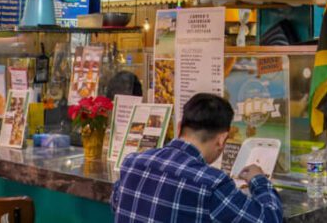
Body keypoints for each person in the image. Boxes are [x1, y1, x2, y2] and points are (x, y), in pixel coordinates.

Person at [111, 93, 283, 223]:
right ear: (222, 139)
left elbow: (117, 205)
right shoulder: (211, 183)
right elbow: (268, 219)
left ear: (179, 127)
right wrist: (258, 180)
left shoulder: (132, 163)